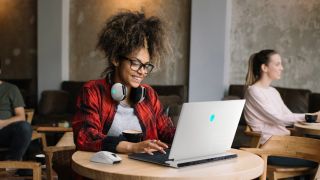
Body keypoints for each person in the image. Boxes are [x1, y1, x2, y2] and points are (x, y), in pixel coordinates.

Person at [72, 11, 175, 155]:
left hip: (143, 171)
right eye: (135, 63)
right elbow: (85, 136)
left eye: (146, 66)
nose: (142, 72)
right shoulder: (92, 91)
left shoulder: (149, 94)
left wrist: (191, 137)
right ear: (115, 59)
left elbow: (167, 132)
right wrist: (132, 147)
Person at [244, 49, 320, 167]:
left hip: (285, 143)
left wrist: (313, 118)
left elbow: (288, 117)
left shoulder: (273, 91)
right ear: (264, 67)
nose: (282, 68)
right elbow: (279, 119)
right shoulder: (253, 91)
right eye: (277, 64)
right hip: (270, 147)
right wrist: (311, 116)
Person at [0, 80, 33, 161]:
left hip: (4, 131)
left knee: (25, 127)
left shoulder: (11, 89)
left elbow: (21, 116)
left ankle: (12, 162)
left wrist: (2, 123)